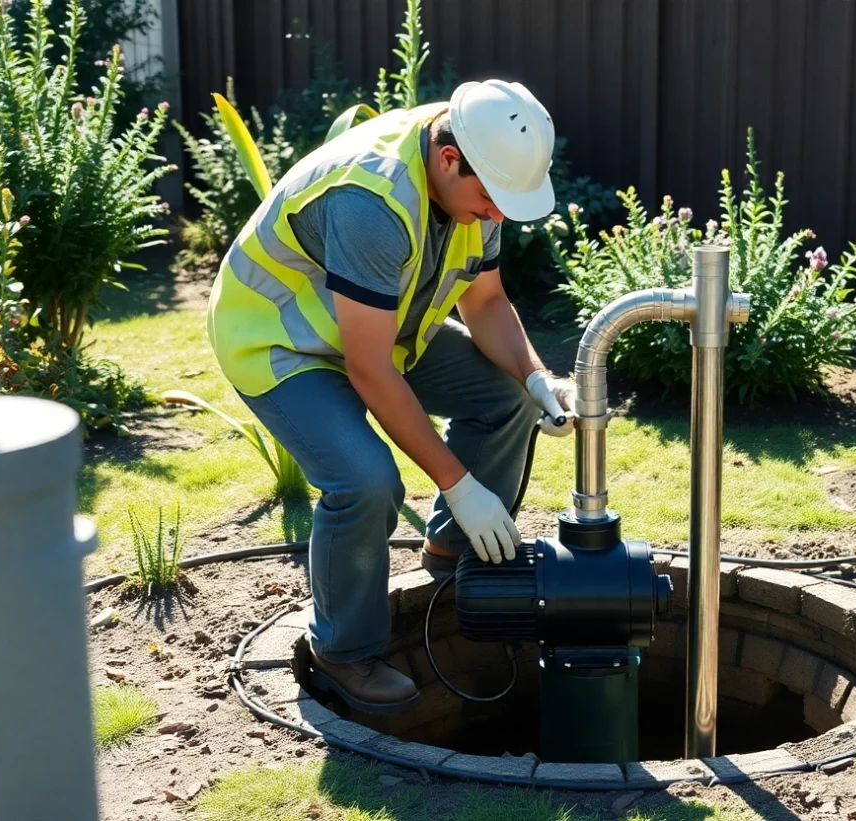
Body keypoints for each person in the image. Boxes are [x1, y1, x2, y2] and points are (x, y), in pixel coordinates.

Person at [205, 79, 578, 714]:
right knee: (365, 480)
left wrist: (536, 375)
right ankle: (343, 652)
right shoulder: (371, 201)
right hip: (280, 337)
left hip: (383, 321)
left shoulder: (475, 178)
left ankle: (453, 553)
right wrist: (461, 487)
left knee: (507, 396)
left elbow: (484, 301)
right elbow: (371, 370)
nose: (494, 216)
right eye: (489, 200)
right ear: (449, 158)